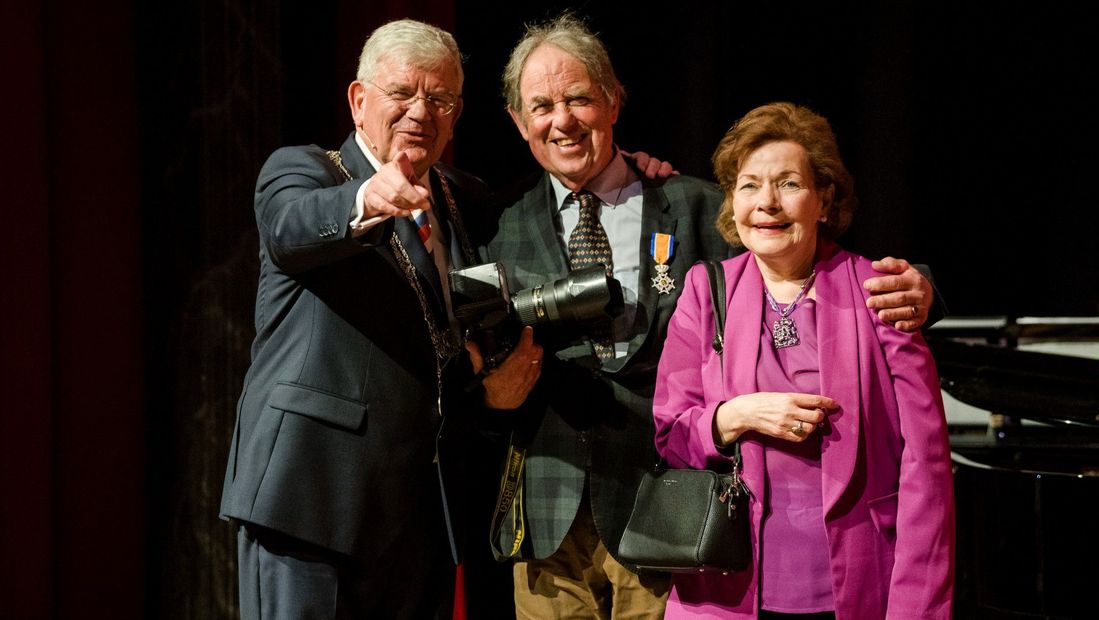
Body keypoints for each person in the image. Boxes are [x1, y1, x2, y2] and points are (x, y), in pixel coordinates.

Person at [478, 15, 938, 619]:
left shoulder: (698, 205)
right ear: (518, 121)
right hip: (549, 517)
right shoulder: (497, 226)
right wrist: (492, 394)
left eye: (579, 98)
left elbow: (800, 255)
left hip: (673, 516)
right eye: (541, 105)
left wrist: (923, 289)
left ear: (613, 101)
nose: (560, 119)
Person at [218, 18, 543, 619]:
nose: (422, 111)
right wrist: (365, 200)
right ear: (359, 99)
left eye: (440, 98)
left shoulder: (460, 197)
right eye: (403, 93)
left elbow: (541, 199)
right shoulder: (304, 171)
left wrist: (626, 174)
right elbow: (290, 230)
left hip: (419, 515)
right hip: (311, 501)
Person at [652, 102, 955, 619]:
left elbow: (926, 471)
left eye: (788, 183)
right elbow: (670, 435)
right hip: (723, 594)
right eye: (749, 185)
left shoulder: (880, 294)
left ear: (823, 199)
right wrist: (736, 416)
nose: (766, 203)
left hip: (861, 587)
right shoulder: (705, 292)